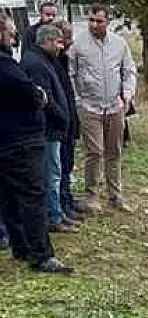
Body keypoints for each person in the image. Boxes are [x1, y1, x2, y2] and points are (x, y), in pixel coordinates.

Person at [0, 12, 73, 273]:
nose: (12, 38)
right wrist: (40, 98)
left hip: (7, 141)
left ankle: (21, 247)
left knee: (9, 197)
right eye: (9, 33)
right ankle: (41, 255)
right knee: (32, 197)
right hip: (20, 141)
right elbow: (35, 95)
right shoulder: (8, 67)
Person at [70, 4, 138, 213]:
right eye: (91, 20)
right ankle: (91, 195)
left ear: (107, 22)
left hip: (115, 107)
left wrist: (127, 95)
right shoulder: (78, 44)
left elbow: (129, 71)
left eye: (99, 21)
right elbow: (70, 74)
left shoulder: (119, 44)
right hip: (90, 108)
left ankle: (115, 195)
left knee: (114, 151)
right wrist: (77, 100)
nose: (94, 24)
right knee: (95, 152)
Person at [21, 24, 76, 233]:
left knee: (54, 171)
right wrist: (62, 116)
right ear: (50, 41)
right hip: (47, 129)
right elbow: (45, 99)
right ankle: (53, 216)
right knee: (51, 173)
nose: (62, 47)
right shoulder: (36, 64)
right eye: (59, 42)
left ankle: (57, 212)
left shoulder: (44, 60)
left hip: (52, 128)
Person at [54, 20, 81, 222]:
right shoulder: (54, 62)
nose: (71, 42)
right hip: (60, 125)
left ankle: (67, 199)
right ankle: (61, 205)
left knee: (67, 164)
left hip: (69, 122)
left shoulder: (65, 60)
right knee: (60, 167)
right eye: (67, 38)